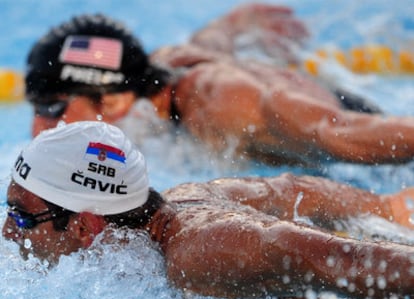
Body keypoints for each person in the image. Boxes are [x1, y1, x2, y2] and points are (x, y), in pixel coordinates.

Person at [3, 120, 414, 299]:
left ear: (84, 225)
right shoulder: (189, 199)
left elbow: (348, 258)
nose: (7, 231)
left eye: (21, 216)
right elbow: (293, 189)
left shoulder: (200, 253)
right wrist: (388, 207)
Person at [24, 4, 414, 167]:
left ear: (112, 101)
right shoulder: (161, 71)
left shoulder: (223, 103)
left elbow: (333, 131)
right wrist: (243, 20)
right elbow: (211, 37)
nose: (38, 128)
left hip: (358, 128)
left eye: (52, 108)